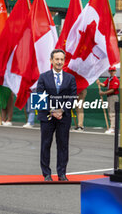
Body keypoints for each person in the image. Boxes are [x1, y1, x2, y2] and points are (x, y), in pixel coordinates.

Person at [37, 49, 77, 181]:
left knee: (63, 145)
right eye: (57, 59)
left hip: (64, 117)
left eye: (61, 60)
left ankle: (62, 173)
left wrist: (62, 110)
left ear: (64, 61)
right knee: (45, 144)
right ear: (51, 61)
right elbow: (40, 97)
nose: (59, 62)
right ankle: (46, 173)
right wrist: (54, 110)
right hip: (47, 117)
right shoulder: (43, 77)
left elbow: (72, 97)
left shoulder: (70, 78)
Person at [96, 66, 120, 134]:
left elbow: (113, 90)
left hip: (113, 96)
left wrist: (103, 93)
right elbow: (104, 84)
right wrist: (99, 83)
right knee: (110, 112)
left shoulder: (116, 80)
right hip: (109, 97)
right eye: (110, 71)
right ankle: (112, 127)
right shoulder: (109, 79)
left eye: (113, 71)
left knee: (112, 112)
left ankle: (113, 128)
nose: (111, 72)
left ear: (115, 71)